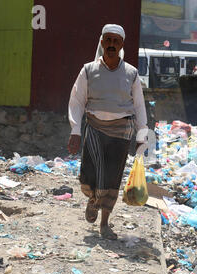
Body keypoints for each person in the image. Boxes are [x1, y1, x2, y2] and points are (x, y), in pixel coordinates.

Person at [68, 24, 148, 240]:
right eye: (108, 40)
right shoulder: (88, 70)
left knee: (112, 178)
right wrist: (76, 129)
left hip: (122, 132)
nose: (112, 44)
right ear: (102, 42)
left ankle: (104, 223)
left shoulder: (131, 73)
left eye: (116, 41)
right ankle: (92, 198)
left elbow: (139, 106)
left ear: (122, 45)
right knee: (90, 174)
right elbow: (76, 100)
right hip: (94, 127)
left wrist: (142, 135)